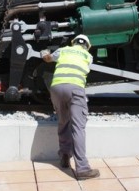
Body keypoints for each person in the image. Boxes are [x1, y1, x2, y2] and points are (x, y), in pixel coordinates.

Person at [41, 34, 100, 180]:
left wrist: (44, 54)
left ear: (73, 43)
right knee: (78, 127)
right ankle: (83, 169)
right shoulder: (87, 55)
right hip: (75, 88)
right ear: (87, 45)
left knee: (63, 122)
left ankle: (65, 156)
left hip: (56, 88)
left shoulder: (63, 50)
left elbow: (48, 58)